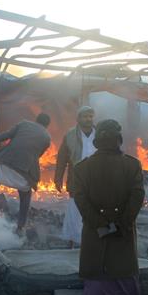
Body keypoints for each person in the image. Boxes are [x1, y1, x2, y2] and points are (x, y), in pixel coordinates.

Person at [72, 119, 145, 295]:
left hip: (95, 232)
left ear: (97, 142)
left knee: (97, 268)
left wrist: (100, 224)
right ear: (118, 140)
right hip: (123, 231)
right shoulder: (132, 165)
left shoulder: (81, 168)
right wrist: (122, 224)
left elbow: (81, 200)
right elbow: (137, 197)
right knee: (122, 266)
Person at [0, 113, 51, 235]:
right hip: (23, 173)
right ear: (47, 125)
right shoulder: (47, 138)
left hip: (5, 163)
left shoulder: (24, 124)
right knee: (25, 197)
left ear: (36, 120)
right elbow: (37, 155)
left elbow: (6, 135)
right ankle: (20, 228)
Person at [54, 106, 96, 248]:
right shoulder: (70, 135)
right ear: (78, 119)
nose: (88, 119)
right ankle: (71, 242)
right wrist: (58, 177)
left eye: (90, 116)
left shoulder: (100, 134)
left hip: (96, 179)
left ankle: (93, 242)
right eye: (85, 116)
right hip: (77, 178)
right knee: (74, 210)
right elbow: (62, 158)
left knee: (96, 209)